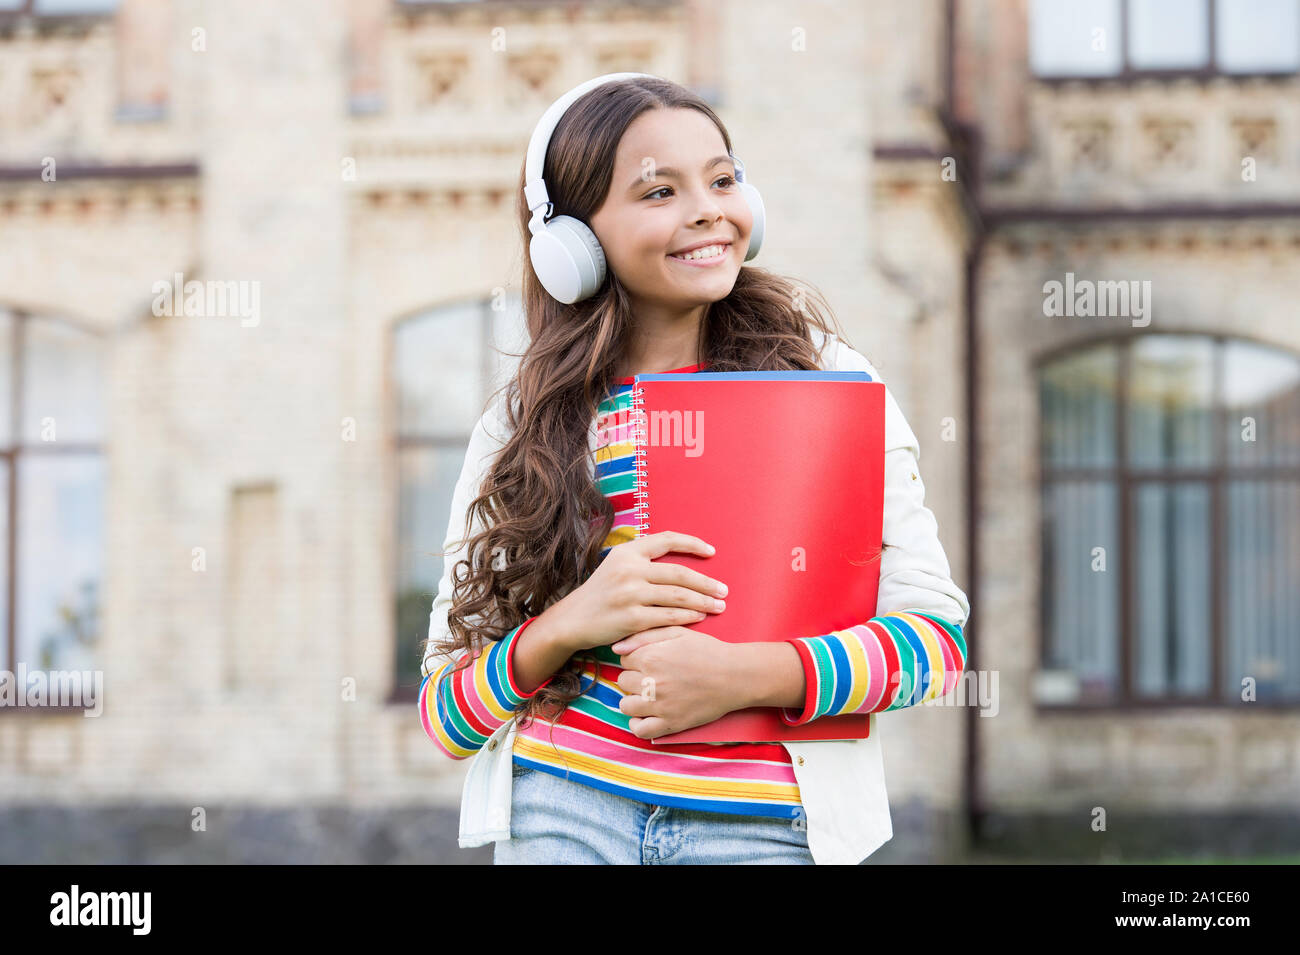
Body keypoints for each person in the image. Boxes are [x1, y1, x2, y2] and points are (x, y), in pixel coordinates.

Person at [418, 73, 970, 865]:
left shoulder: (830, 387)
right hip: (564, 811)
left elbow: (936, 647)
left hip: (762, 830)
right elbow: (446, 713)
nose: (708, 207)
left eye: (722, 178)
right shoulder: (521, 425)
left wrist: (745, 675)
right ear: (570, 242)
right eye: (658, 191)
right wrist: (568, 623)